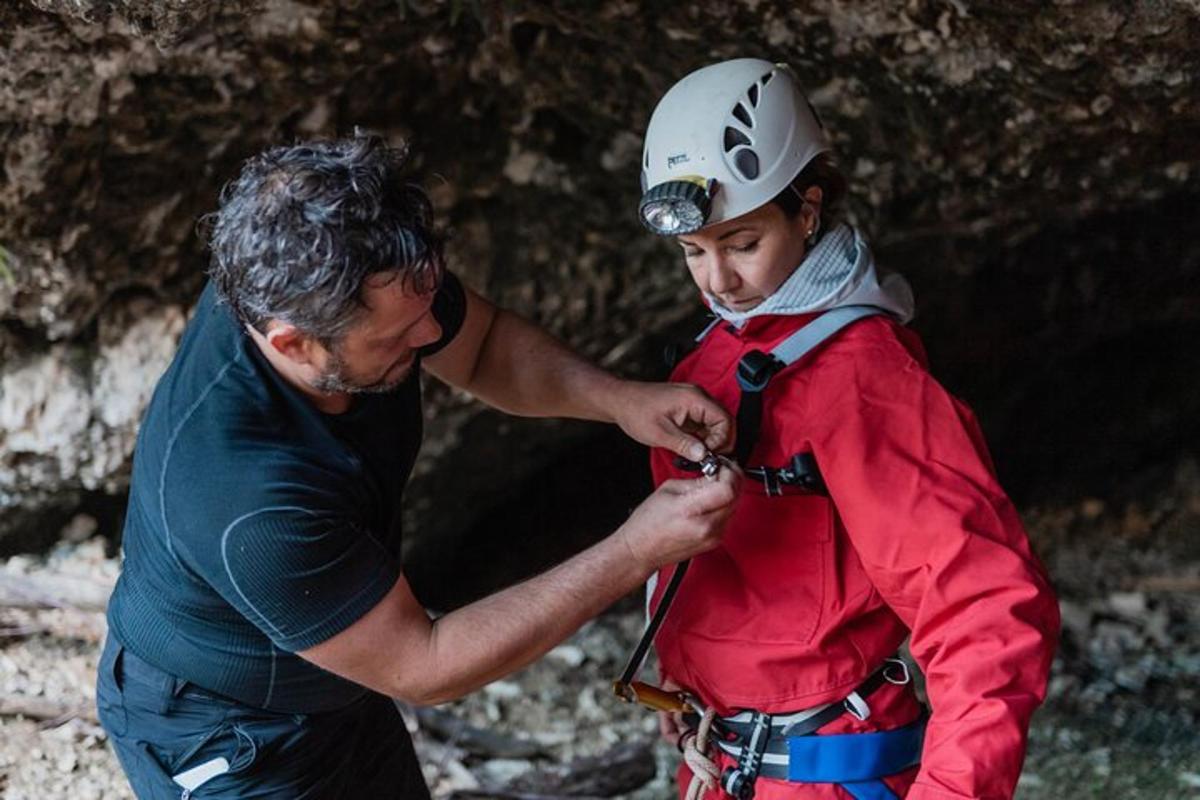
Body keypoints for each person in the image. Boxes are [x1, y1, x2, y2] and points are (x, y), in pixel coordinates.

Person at [95, 133, 740, 799]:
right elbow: (425, 664)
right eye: (397, 336)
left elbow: (483, 345)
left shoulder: (335, 268)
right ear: (292, 340)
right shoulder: (245, 498)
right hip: (225, 731)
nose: (430, 335)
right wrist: (635, 549)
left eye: (427, 302)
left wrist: (621, 401)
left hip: (339, 678)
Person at [634, 58, 1061, 800]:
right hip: (719, 762)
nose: (717, 282)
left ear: (807, 208)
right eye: (692, 253)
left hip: (828, 774)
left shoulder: (863, 379)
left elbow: (983, 608)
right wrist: (686, 670)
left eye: (740, 243)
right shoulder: (716, 353)